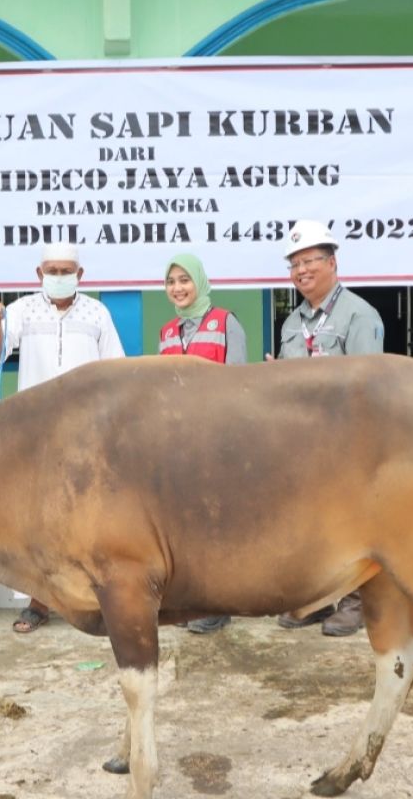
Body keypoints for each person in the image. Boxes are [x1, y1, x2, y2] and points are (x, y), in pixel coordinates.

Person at [0, 242, 125, 633]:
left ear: (80, 275)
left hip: (88, 433)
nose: (58, 276)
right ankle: (39, 602)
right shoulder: (21, 310)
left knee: (89, 516)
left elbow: (115, 372)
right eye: (51, 270)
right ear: (39, 275)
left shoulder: (97, 313)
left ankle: (91, 600)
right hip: (34, 434)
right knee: (39, 519)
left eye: (65, 270)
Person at [273, 219, 384, 637]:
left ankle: (354, 602)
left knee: (352, 524)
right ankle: (316, 599)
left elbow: (367, 386)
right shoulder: (291, 322)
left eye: (309, 261)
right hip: (300, 445)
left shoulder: (360, 314)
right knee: (309, 524)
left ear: (332, 262)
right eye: (294, 264)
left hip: (345, 442)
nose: (301, 271)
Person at [157, 253, 246, 634]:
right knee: (186, 526)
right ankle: (192, 601)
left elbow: (240, 386)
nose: (178, 288)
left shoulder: (226, 322)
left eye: (184, 280)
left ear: (200, 282)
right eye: (171, 281)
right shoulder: (166, 332)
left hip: (218, 440)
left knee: (218, 526)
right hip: (179, 445)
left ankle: (219, 603)